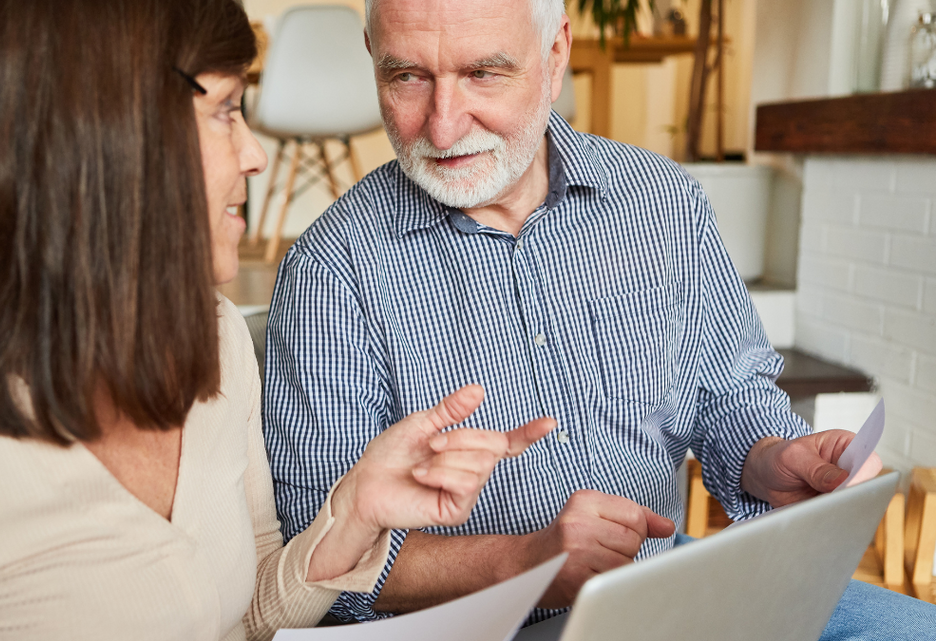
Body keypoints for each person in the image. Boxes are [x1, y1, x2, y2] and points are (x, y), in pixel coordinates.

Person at [0, 1, 554, 639]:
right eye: (226, 110)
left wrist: (354, 510)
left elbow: (244, 614)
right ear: (109, 132)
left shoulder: (212, 340)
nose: (255, 154)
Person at [262, 0, 936, 636]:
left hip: (670, 581)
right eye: (407, 77)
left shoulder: (663, 203)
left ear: (555, 56)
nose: (443, 124)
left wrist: (774, 456)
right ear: (373, 57)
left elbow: (728, 396)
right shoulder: (331, 271)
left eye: (484, 73)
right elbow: (321, 562)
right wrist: (526, 561)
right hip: (486, 625)